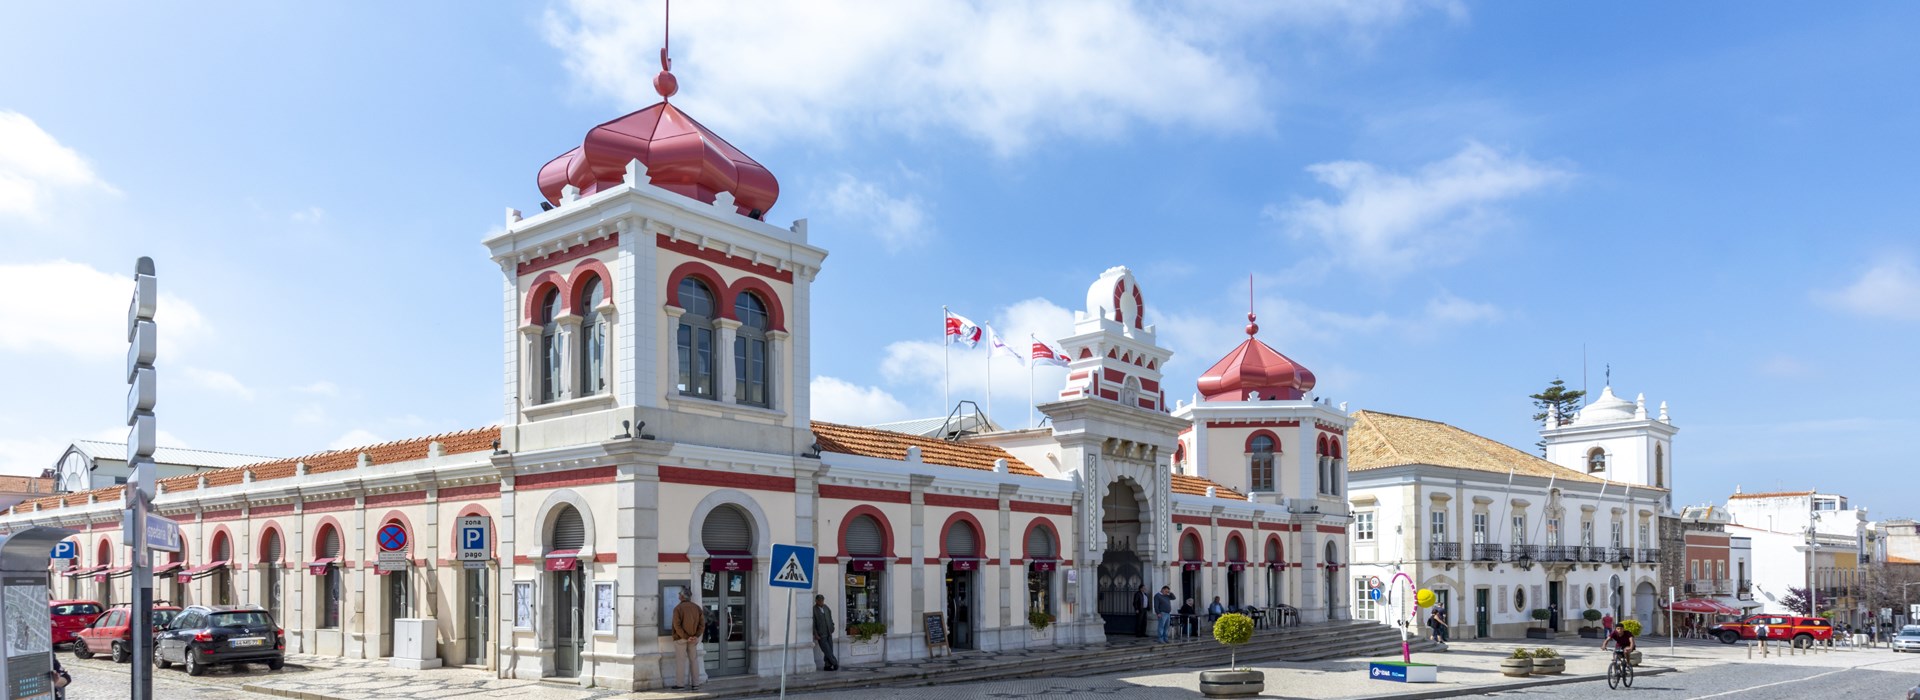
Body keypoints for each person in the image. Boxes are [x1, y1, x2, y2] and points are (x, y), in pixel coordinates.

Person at [670, 588, 705, 690]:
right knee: (694, 661)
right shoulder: (697, 608)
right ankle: (696, 684)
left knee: (681, 661)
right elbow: (702, 624)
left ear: (682, 597)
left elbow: (677, 625)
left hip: (681, 639)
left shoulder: (678, 608)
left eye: (679, 594)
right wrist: (695, 635)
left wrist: (686, 636)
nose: (678, 596)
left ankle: (680, 684)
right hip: (693, 638)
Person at [812, 594, 839, 671]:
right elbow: (813, 623)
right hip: (821, 634)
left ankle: (827, 666)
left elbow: (830, 618)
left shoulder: (826, 608)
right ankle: (835, 662)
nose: (821, 602)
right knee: (827, 650)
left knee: (830, 649)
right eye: (819, 600)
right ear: (816, 601)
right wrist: (815, 634)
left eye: (822, 600)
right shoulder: (814, 610)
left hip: (829, 632)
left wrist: (832, 625)